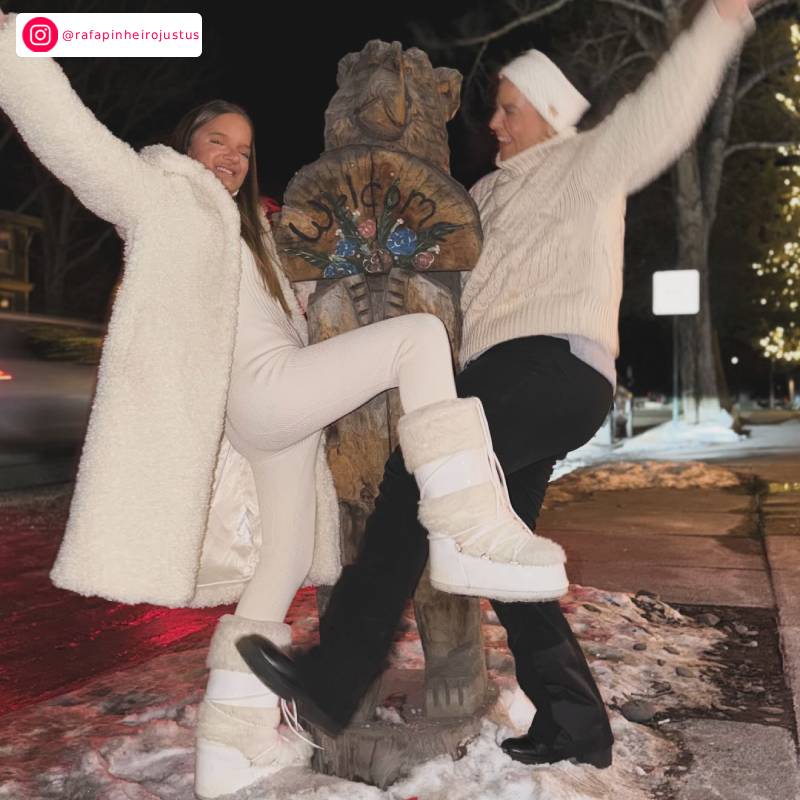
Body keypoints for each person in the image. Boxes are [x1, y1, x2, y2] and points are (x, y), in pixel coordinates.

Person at [0, 11, 571, 798]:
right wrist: (15, 53)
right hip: (264, 394)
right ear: (186, 147)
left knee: (283, 564)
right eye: (217, 143)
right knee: (416, 341)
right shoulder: (163, 197)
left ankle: (230, 747)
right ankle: (465, 518)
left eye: (243, 149)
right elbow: (74, 141)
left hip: (279, 419)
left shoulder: (252, 238)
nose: (232, 159)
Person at [237, 0, 761, 771]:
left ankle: (333, 678)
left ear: (550, 114)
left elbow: (662, 112)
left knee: (415, 474)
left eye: (511, 109)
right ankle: (576, 724)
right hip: (508, 377)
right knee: (504, 558)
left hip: (550, 366)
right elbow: (420, 259)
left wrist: (716, 22)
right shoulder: (485, 197)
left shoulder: (588, 163)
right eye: (497, 110)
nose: (495, 123)